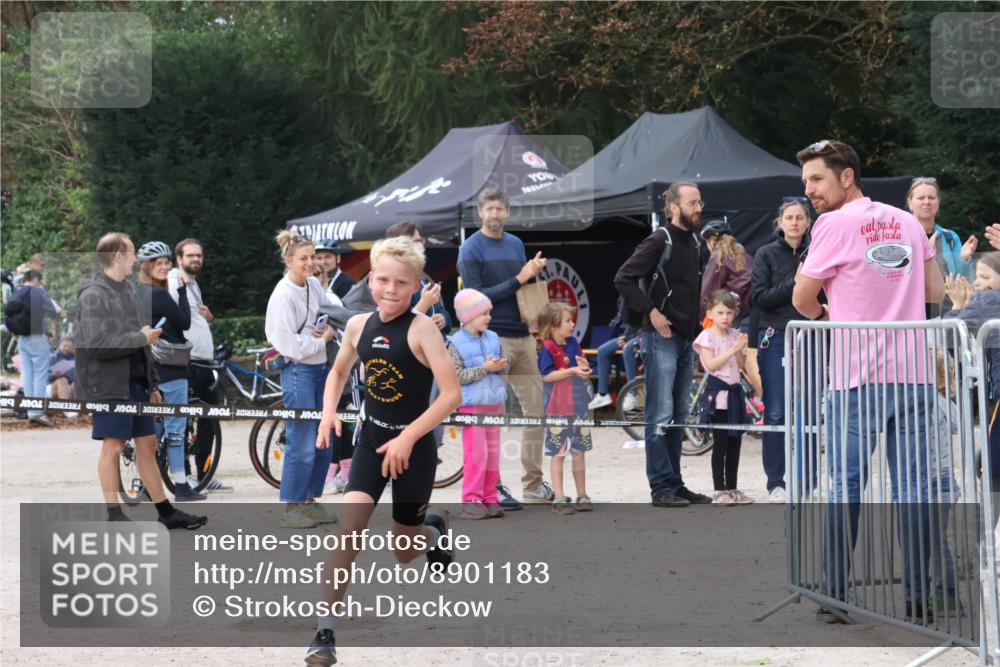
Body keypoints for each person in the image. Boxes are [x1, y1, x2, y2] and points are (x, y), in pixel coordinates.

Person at [791, 139, 945, 622]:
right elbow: (935, 291)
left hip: (857, 377)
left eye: (817, 179)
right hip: (913, 375)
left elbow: (801, 299)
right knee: (914, 488)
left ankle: (835, 595)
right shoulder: (907, 221)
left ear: (847, 176)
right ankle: (918, 597)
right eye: (806, 181)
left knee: (846, 486)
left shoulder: (833, 224)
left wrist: (827, 315)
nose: (809, 190)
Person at [306, 235, 462, 665]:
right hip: (372, 443)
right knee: (349, 533)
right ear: (371, 278)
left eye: (401, 283)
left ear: (416, 286)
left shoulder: (422, 329)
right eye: (384, 280)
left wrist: (409, 437)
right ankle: (324, 633)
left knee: (404, 550)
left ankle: (433, 531)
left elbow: (451, 396)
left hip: (413, 450)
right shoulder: (358, 325)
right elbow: (337, 372)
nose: (391, 290)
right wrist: (328, 413)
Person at [74, 232, 206, 529]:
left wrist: (152, 384)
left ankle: (166, 512)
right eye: (132, 252)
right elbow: (98, 344)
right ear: (118, 255)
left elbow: (142, 343)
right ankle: (114, 515)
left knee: (147, 444)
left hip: (135, 384)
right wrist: (140, 338)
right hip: (108, 385)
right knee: (113, 446)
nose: (136, 258)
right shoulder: (93, 295)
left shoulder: (129, 291)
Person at [614, 181, 713, 508]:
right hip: (660, 337)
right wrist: (652, 312)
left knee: (680, 412)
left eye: (700, 202)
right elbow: (623, 278)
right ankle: (660, 487)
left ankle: (675, 483)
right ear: (673, 207)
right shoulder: (659, 240)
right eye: (693, 202)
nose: (699, 208)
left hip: (685, 337)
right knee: (661, 411)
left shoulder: (696, 242)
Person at [457, 187, 555, 510]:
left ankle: (533, 485)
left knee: (536, 413)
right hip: (490, 338)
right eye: (489, 209)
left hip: (524, 336)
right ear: (480, 213)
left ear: (508, 212)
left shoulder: (516, 244)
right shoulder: (470, 248)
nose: (495, 214)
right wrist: (519, 277)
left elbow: (521, 286)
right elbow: (474, 300)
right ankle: (493, 488)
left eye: (500, 209)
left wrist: (531, 275)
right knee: (490, 416)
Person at [265, 232, 338, 528]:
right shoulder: (282, 294)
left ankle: (309, 500)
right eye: (303, 258)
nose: (310, 263)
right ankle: (291, 506)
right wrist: (322, 341)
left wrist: (328, 330)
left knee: (324, 439)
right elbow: (285, 343)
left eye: (313, 257)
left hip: (321, 368)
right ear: (288, 261)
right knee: (302, 441)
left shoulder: (313, 285)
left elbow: (330, 313)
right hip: (298, 370)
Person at [750, 199, 813, 502]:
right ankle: (776, 482)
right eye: (789, 217)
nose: (795, 222)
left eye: (800, 217)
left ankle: (809, 481)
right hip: (776, 336)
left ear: (808, 222)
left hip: (812, 335)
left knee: (810, 411)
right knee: (775, 412)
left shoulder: (818, 251)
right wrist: (795, 282)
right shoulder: (766, 253)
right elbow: (760, 299)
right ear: (780, 222)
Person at [136, 241, 205, 502]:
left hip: (148, 369)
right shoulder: (160, 295)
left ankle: (146, 485)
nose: (165, 267)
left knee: (153, 431)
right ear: (147, 266)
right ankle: (181, 485)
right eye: (159, 263)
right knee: (175, 428)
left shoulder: (135, 293)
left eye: (167, 262)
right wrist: (183, 293)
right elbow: (185, 322)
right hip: (171, 370)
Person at [168, 238, 233, 493]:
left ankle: (205, 473)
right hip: (188, 361)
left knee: (209, 420)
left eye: (199, 255)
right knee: (184, 422)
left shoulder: (193, 285)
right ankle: (183, 475)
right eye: (190, 255)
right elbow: (170, 317)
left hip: (204, 362)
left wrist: (208, 317)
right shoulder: (174, 282)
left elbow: (195, 319)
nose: (196, 259)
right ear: (179, 259)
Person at [447, 288, 508, 520]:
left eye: (489, 312)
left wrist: (500, 364)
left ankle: (490, 497)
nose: (489, 317)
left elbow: (504, 366)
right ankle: (471, 499)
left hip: (494, 404)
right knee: (476, 454)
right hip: (471, 407)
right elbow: (456, 376)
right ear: (468, 316)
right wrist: (484, 368)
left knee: (492, 454)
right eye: (484, 313)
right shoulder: (455, 343)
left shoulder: (493, 337)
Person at [943, 253, 1000, 494]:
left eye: (986, 276)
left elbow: (949, 335)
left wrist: (957, 305)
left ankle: (990, 517)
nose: (978, 282)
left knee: (994, 466)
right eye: (977, 276)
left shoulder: (986, 300)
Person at [694, 291, 752, 505]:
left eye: (729, 312)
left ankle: (732, 487)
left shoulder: (735, 334)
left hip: (734, 395)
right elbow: (711, 365)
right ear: (710, 313)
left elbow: (741, 364)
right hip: (718, 397)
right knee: (720, 444)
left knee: (735, 442)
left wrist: (739, 350)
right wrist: (732, 349)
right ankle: (719, 489)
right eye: (720, 312)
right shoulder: (706, 337)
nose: (725, 317)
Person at [537, 302, 594, 515]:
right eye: (567, 321)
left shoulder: (573, 343)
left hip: (579, 407)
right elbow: (546, 376)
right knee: (558, 454)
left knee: (579, 453)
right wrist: (571, 371)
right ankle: (559, 497)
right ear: (553, 325)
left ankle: (582, 494)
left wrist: (583, 367)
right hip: (557, 410)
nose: (572, 324)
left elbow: (583, 366)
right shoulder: (548, 347)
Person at [906, 177, 976, 317]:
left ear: (938, 202)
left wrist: (964, 259)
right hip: (913, 312)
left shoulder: (950, 237)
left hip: (947, 312)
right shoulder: (902, 236)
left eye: (931, 197)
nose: (927, 202)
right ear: (910, 203)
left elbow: (963, 282)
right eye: (921, 198)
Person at [7, 270, 60, 426]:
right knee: (40, 375)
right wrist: (53, 331)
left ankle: (31, 412)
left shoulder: (16, 293)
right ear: (35, 279)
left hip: (22, 339)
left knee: (27, 375)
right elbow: (53, 311)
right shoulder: (38, 292)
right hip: (38, 336)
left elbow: (8, 315)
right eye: (40, 280)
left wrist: (16, 333)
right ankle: (37, 412)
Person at [587, 296, 641, 411]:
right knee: (602, 351)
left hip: (646, 333)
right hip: (630, 335)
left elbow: (646, 320)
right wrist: (624, 337)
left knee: (627, 348)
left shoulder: (640, 291)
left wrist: (628, 338)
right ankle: (602, 394)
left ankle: (633, 393)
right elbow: (624, 322)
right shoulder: (623, 296)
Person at [47, 336, 76, 401]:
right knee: (63, 380)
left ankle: (80, 406)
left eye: (70, 346)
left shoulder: (75, 359)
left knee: (76, 383)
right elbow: (45, 377)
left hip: (70, 385)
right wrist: (54, 375)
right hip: (53, 384)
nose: (67, 348)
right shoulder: (52, 358)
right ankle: (65, 405)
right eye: (65, 346)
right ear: (60, 346)